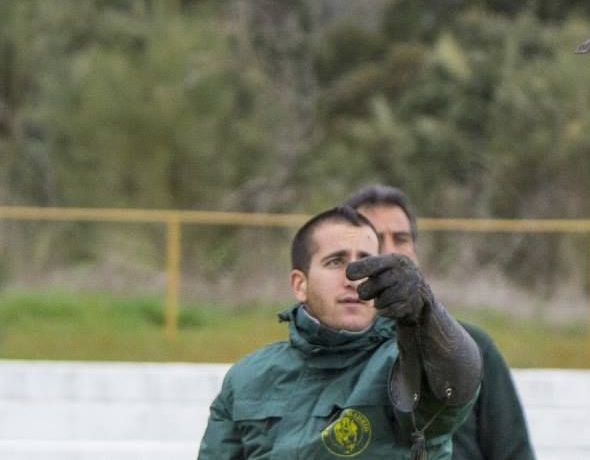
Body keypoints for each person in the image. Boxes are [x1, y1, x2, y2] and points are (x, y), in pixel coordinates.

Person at [199, 205, 482, 459]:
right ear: (300, 284)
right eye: (335, 261)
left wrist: (426, 312)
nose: (353, 278)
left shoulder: (405, 359)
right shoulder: (246, 379)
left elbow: (458, 383)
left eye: (366, 262)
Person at [346, 185, 536, 460]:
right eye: (373, 239)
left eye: (401, 239)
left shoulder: (473, 348)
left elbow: (514, 453)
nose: (390, 253)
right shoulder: (331, 355)